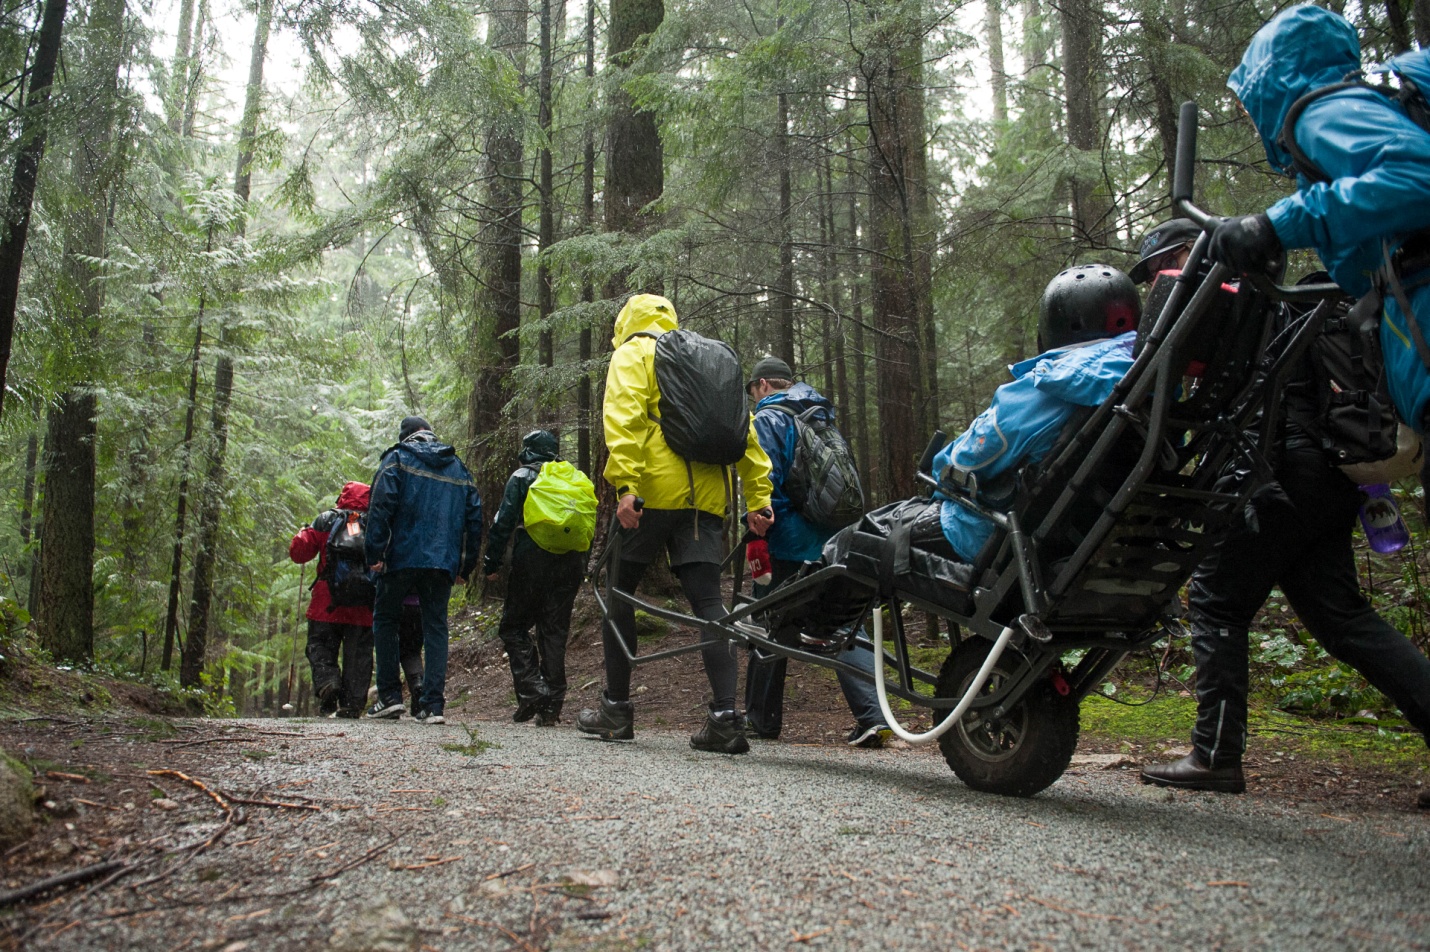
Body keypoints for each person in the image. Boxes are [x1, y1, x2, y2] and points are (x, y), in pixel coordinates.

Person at [1140, 272, 1430, 801]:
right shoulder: (1310, 308)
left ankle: (1215, 755)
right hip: (1334, 475)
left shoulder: (1249, 306)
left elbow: (1241, 404)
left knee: (1216, 602)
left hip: (1283, 474)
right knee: (1342, 617)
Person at [1206, 4, 1430, 440]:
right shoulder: (1369, 103)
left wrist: (1272, 226)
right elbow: (1365, 261)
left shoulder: (1320, 113)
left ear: (1269, 85)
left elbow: (1417, 178)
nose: (1250, 118)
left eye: (1248, 104)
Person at [577, 293, 775, 755]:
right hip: (704, 500)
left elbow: (623, 418)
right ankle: (726, 718)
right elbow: (742, 431)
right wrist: (758, 499)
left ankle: (617, 709)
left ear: (626, 321)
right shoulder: (703, 360)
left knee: (617, 592)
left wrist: (625, 484)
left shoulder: (634, 352)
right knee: (709, 602)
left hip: (650, 493)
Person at [742, 355, 891, 748]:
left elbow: (764, 479)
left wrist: (755, 525)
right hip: (832, 537)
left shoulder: (769, 419)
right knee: (841, 624)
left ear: (762, 386)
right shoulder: (821, 415)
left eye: (753, 391)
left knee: (768, 624)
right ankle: (875, 716)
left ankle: (761, 720)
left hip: (787, 539)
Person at [365, 416, 483, 724]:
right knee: (435, 627)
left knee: (386, 620)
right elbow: (475, 519)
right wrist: (465, 566)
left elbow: (380, 506)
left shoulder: (397, 459)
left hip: (400, 557)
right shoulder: (458, 466)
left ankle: (390, 697)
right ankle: (433, 706)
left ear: (406, 436)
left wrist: (373, 552)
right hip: (442, 562)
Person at [483, 430, 586, 727]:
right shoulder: (571, 478)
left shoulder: (521, 477)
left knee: (513, 627)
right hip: (570, 563)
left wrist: (492, 561)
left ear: (528, 451)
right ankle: (551, 706)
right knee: (553, 631)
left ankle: (532, 689)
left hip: (532, 559)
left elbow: (503, 522)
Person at [288, 481, 374, 719]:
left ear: (342, 497)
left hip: (327, 602)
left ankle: (327, 682)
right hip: (364, 604)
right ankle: (352, 704)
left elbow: (299, 552)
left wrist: (303, 531)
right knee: (359, 654)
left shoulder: (326, 519)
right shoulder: (376, 522)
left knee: (320, 645)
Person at [397, 595, 424, 716]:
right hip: (419, 604)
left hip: (396, 602)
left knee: (394, 651)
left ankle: (391, 697)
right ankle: (418, 681)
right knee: (412, 652)